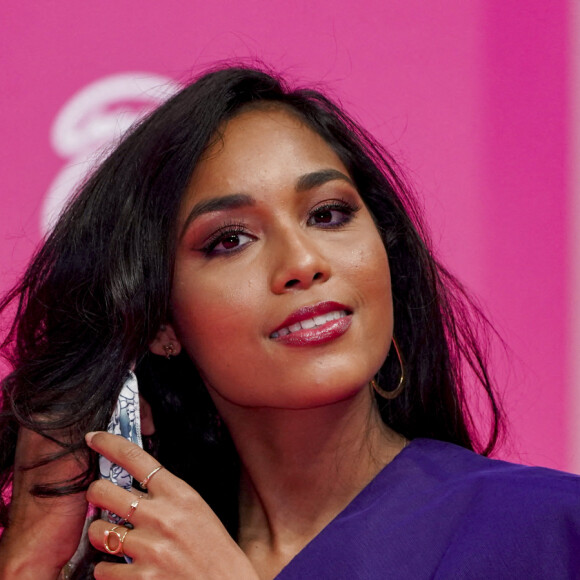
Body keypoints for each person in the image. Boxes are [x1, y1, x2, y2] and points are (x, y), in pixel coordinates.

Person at [0, 65, 578, 580]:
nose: (303, 264)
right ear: (160, 324)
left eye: (329, 214)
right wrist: (30, 561)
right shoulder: (138, 566)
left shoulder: (551, 533)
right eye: (230, 240)